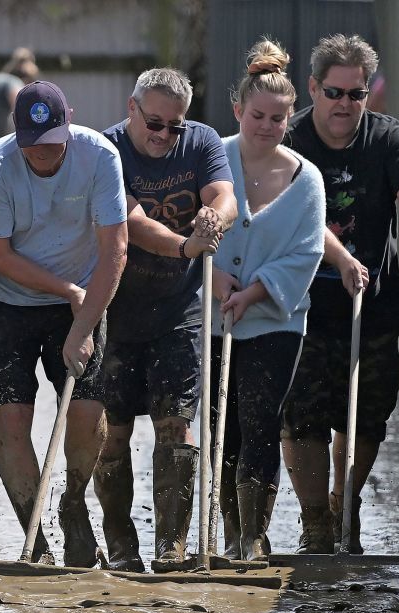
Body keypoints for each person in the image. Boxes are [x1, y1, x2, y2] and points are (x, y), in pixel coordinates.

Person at [280, 34, 399, 554]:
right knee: (302, 414)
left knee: (366, 418)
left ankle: (344, 503)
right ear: (314, 89)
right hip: (302, 305)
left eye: (355, 95)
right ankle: (315, 522)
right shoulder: (288, 138)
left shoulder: (387, 136)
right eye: (334, 93)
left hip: (371, 306)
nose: (344, 105)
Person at [0, 80, 128, 567]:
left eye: (53, 143)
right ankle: (34, 539)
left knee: (87, 415)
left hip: (81, 298)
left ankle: (73, 501)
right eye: (32, 145)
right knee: (13, 420)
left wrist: (82, 324)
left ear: (69, 122)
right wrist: (65, 290)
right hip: (9, 302)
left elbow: (115, 249)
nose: (43, 154)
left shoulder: (100, 157)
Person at [95, 67, 236, 572]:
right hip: (115, 307)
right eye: (153, 123)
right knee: (112, 432)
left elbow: (225, 194)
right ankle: (121, 544)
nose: (163, 135)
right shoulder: (107, 150)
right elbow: (131, 222)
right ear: (131, 109)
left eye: (174, 126)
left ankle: (171, 548)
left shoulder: (202, 141)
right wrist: (183, 245)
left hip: (178, 308)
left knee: (176, 424)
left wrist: (214, 217)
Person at [209, 39, 325, 561]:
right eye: (257, 115)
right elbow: (189, 226)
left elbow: (307, 253)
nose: (266, 126)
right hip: (214, 318)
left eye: (278, 119)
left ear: (289, 119)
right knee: (222, 427)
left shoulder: (307, 179)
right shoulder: (213, 158)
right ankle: (228, 530)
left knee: (261, 423)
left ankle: (252, 538)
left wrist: (255, 292)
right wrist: (214, 277)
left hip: (276, 319)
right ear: (238, 109)